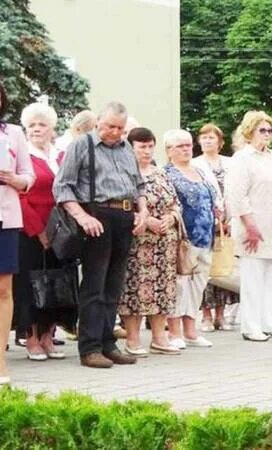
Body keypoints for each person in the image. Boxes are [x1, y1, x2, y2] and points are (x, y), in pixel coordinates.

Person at [53, 101, 149, 368]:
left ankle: (108, 343)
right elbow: (62, 187)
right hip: (96, 216)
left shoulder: (127, 147)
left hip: (125, 217)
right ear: (98, 122)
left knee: (114, 285)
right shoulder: (82, 145)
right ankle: (90, 347)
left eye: (120, 128)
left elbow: (139, 185)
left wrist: (142, 211)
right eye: (110, 126)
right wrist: (83, 217)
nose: (115, 132)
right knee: (94, 285)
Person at [13, 103, 76, 361]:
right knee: (31, 284)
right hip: (30, 230)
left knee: (58, 281)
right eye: (32, 126)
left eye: (42, 125)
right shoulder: (21, 155)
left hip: (61, 230)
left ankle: (49, 337)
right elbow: (19, 195)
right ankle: (31, 340)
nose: (37, 129)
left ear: (52, 129)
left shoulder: (61, 155)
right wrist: (39, 230)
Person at [225, 111, 272, 342]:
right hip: (253, 226)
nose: (267, 134)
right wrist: (250, 226)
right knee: (253, 278)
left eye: (269, 130)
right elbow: (236, 196)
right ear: (249, 132)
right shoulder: (242, 159)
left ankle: (270, 322)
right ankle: (251, 326)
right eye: (261, 130)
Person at [119, 128, 180, 356]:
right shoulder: (125, 173)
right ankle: (133, 339)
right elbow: (120, 205)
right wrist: (147, 220)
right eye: (141, 147)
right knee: (135, 288)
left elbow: (174, 202)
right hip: (138, 242)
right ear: (131, 148)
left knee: (162, 289)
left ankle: (159, 337)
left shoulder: (160, 173)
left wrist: (170, 217)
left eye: (150, 146)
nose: (147, 151)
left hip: (164, 244)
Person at [164, 129, 217, 349]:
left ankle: (191, 331)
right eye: (180, 146)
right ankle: (174, 332)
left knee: (198, 285)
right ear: (169, 151)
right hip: (182, 239)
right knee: (179, 285)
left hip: (205, 237)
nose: (187, 149)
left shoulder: (199, 170)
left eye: (188, 145)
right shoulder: (166, 173)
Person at [0, 82, 36, 382]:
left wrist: (15, 180)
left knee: (3, 289)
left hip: (6, 217)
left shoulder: (13, 132)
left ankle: (0, 361)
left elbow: (29, 177)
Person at [192, 123, 240, 332]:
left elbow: (236, 191)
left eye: (212, 137)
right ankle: (206, 316)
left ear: (220, 142)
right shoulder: (194, 164)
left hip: (227, 223)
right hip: (204, 224)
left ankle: (222, 315)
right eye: (204, 137)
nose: (208, 140)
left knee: (224, 267)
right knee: (206, 270)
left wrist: (230, 219)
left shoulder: (231, 163)